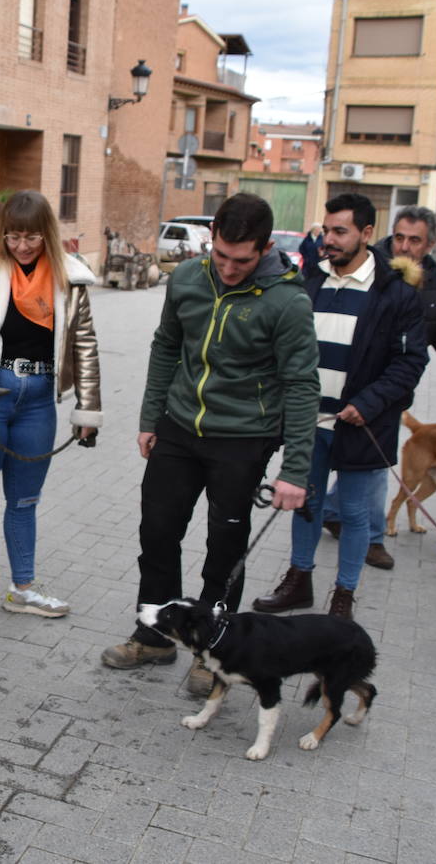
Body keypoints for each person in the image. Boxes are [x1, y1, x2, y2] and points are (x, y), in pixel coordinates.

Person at [100, 192, 320, 697]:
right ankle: (153, 636)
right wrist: (150, 416)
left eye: (241, 260)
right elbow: (166, 346)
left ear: (264, 248)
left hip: (244, 438)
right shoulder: (187, 278)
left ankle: (215, 649)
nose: (227, 269)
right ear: (210, 239)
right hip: (178, 426)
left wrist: (296, 470)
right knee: (156, 533)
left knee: (224, 548)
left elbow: (304, 385)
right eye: (219, 255)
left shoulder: (288, 302)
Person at [253, 193, 427, 620]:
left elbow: (410, 363)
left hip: (361, 424)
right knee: (304, 502)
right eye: (326, 230)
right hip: (308, 423)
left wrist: (367, 404)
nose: (327, 240)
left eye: (339, 232)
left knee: (353, 514)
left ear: (367, 234)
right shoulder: (309, 280)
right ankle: (298, 582)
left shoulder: (396, 292)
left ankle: (343, 597)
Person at [0, 190, 100, 626]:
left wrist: (89, 409)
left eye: (31, 237)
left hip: (41, 399)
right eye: (13, 236)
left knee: (24, 501)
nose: (22, 246)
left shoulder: (70, 279)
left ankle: (22, 588)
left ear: (46, 234)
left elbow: (85, 346)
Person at [322, 206, 436, 570]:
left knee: (376, 466)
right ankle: (340, 518)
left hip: (388, 394)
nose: (404, 247)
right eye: (399, 237)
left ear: (429, 245)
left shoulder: (434, 287)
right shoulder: (370, 269)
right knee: (354, 466)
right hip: (347, 387)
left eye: (414, 240)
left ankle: (369, 535)